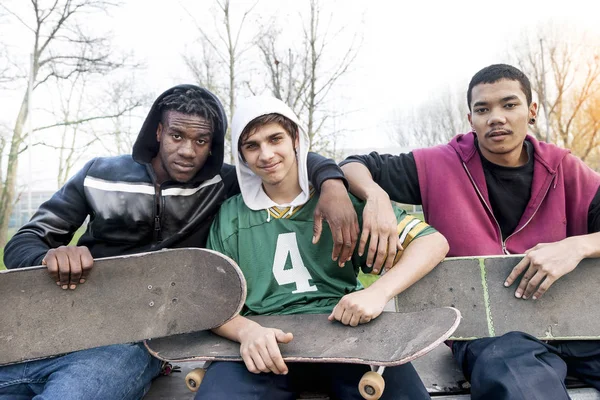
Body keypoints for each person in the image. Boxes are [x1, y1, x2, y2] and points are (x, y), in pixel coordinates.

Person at [2, 84, 358, 400]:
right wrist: (52, 255)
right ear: (158, 132)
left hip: (140, 339)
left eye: (201, 141)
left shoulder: (224, 183)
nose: (188, 151)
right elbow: (22, 244)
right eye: (177, 136)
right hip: (58, 324)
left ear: (214, 145)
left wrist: (331, 182)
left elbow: (281, 161)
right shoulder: (99, 174)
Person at [340, 64, 600, 399]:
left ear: (531, 111)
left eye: (509, 105)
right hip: (491, 335)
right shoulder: (438, 165)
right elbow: (352, 165)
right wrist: (376, 196)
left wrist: (577, 246)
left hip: (578, 327)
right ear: (470, 120)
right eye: (483, 109)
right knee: (519, 385)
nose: (496, 117)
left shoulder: (567, 169)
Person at [196, 95, 449, 399]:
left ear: (296, 140)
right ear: (241, 156)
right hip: (263, 340)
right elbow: (211, 302)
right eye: (252, 145)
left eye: (275, 138)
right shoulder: (230, 216)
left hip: (346, 331)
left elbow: (433, 242)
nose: (266, 154)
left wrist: (377, 292)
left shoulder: (341, 203)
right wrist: (246, 331)